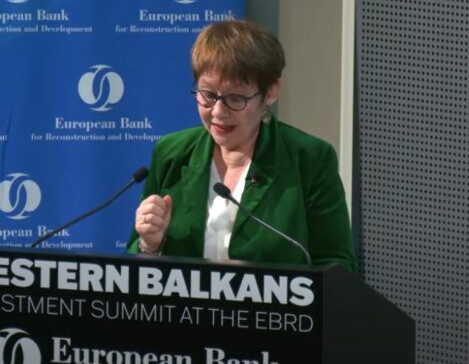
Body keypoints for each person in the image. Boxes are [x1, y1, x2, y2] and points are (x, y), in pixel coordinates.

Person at [127, 19, 357, 273]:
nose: (218, 112)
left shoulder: (309, 159)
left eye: (236, 98)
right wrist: (149, 245)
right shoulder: (171, 153)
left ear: (270, 92)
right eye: (208, 95)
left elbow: (338, 267)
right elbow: (136, 267)